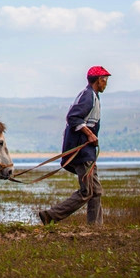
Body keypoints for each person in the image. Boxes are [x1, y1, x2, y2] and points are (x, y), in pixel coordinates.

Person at [38, 65, 110, 225]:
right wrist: (90, 135)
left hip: (88, 153)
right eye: (105, 80)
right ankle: (50, 215)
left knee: (96, 191)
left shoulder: (93, 96)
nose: (106, 83)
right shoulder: (88, 96)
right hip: (82, 152)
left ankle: (95, 228)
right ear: (98, 80)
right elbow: (73, 118)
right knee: (87, 191)